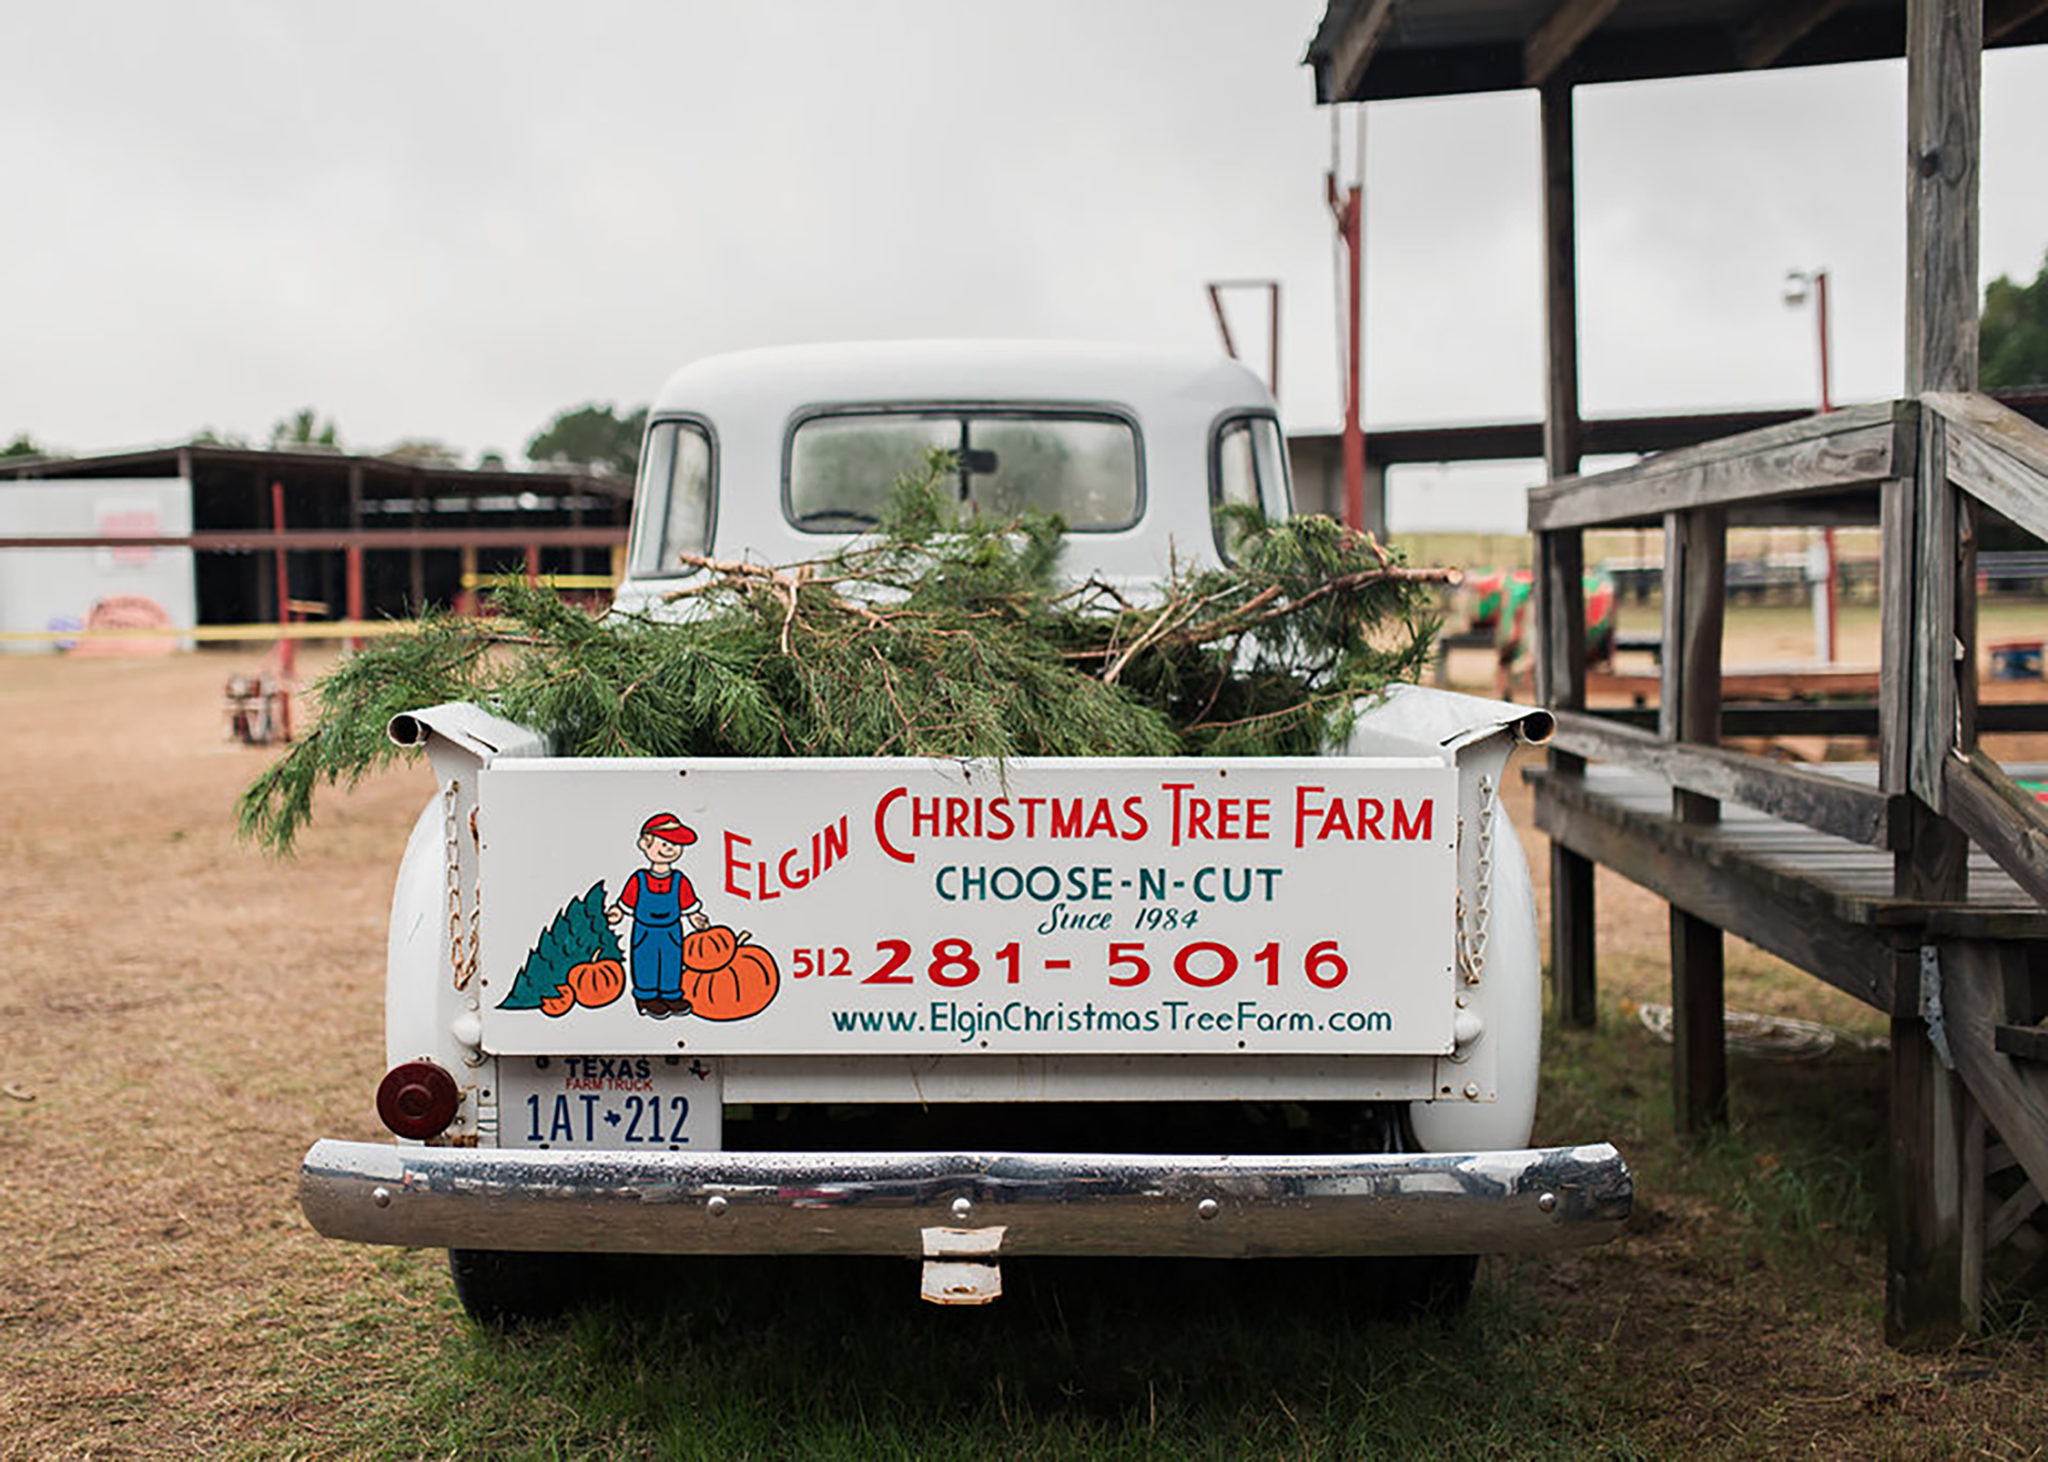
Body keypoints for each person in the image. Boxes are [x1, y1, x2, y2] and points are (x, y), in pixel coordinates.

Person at [606, 813, 712, 1018]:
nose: (670, 848)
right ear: (645, 844)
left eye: (675, 844)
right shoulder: (639, 879)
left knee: (672, 961)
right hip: (645, 931)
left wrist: (695, 918)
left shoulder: (679, 880)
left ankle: (671, 995)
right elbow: (626, 903)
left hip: (671, 930)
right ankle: (646, 997)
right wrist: (617, 913)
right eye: (664, 842)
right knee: (646, 962)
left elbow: (688, 905)